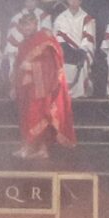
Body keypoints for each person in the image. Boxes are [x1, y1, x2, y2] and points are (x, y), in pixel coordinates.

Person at [12, 9, 75, 161]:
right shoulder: (23, 43)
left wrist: (32, 67)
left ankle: (37, 148)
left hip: (43, 86)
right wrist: (14, 85)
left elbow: (52, 64)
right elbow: (17, 65)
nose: (27, 29)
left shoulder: (44, 38)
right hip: (27, 87)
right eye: (24, 26)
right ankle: (34, 148)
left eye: (29, 25)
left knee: (39, 116)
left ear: (35, 24)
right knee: (27, 116)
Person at [53, 0, 98, 100]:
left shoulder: (87, 18)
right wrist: (67, 49)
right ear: (68, 0)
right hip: (65, 51)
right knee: (59, 61)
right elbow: (58, 36)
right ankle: (63, 94)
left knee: (83, 61)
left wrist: (81, 50)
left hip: (81, 50)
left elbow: (89, 37)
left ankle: (81, 94)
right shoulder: (61, 18)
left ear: (80, 1)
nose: (74, 1)